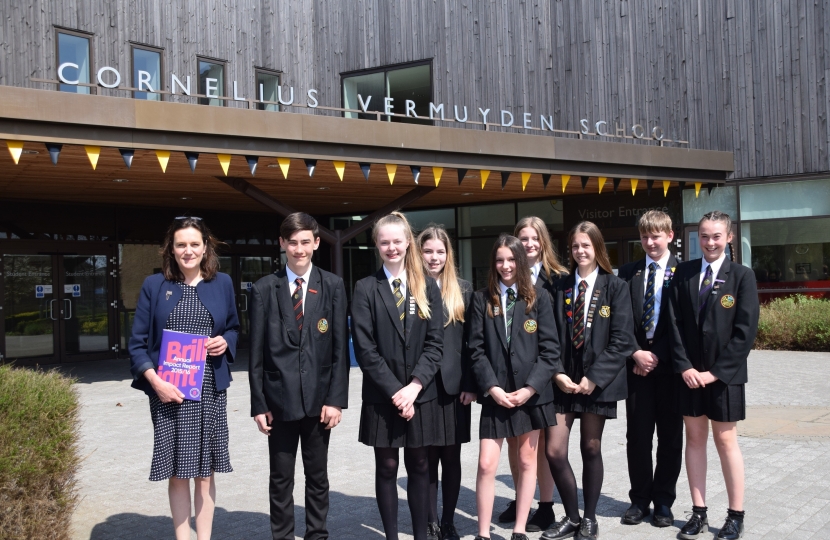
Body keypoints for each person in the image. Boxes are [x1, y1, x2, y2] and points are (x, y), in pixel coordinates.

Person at [129, 216, 239, 540]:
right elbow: (136, 344)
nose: (188, 251)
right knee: (177, 473)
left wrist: (226, 342)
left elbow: (233, 327)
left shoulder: (223, 283)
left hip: (209, 389)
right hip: (168, 392)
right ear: (171, 249)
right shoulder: (154, 286)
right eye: (181, 245)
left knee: (205, 473)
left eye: (194, 244)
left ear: (205, 247)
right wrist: (155, 382)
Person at [248, 212, 350, 540]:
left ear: (317, 243)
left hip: (320, 402)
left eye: (306, 241)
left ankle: (317, 534)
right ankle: (283, 536)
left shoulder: (333, 286)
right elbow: (256, 354)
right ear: (282, 244)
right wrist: (258, 404)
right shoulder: (265, 289)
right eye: (292, 242)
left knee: (318, 476)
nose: (299, 248)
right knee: (280, 478)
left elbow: (338, 352)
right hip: (278, 401)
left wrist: (336, 400)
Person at [351, 211, 444, 540]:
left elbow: (436, 344)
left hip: (421, 394)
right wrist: (397, 391)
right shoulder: (365, 289)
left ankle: (421, 535)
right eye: (384, 242)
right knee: (387, 467)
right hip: (383, 396)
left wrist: (415, 386)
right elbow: (365, 349)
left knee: (420, 465)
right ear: (376, 245)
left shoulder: (427, 286)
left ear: (408, 243)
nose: (391, 247)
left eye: (397, 241)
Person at [668, 211, 758, 540]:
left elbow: (745, 334)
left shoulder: (742, 277)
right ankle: (698, 512)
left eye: (716, 236)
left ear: (729, 237)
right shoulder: (685, 273)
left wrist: (715, 373)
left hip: (726, 378)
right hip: (689, 375)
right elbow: (673, 323)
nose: (710, 242)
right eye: (704, 236)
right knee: (694, 440)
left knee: (725, 441)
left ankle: (736, 515)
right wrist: (685, 367)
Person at [543, 221, 635, 540]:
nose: (580, 251)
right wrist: (557, 374)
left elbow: (622, 340)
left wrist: (594, 378)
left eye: (586, 245)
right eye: (574, 246)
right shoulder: (560, 287)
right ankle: (571, 516)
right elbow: (549, 336)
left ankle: (590, 518)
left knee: (590, 447)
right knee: (554, 450)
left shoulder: (615, 286)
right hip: (563, 380)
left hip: (598, 381)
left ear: (597, 247)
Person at [468, 234, 561, 540]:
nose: (505, 265)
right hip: (496, 395)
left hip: (529, 396)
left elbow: (550, 352)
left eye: (511, 259)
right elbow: (476, 351)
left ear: (520, 262)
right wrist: (491, 388)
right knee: (485, 464)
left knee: (525, 460)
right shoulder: (481, 299)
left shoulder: (539, 298)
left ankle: (519, 529)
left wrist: (530, 389)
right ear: (493, 263)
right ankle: (483, 533)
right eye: (499, 260)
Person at [496, 217, 569, 532]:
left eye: (534, 238)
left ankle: (547, 505)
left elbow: (562, 333)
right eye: (522, 238)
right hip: (517, 378)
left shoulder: (558, 279)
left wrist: (556, 373)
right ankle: (521, 497)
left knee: (543, 447)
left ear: (543, 242)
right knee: (517, 443)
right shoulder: (506, 280)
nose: (528, 244)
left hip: (552, 376)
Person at [617, 210, 684, 528]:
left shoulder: (684, 272)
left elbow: (684, 323)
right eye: (644, 236)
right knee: (638, 437)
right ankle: (639, 500)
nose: (650, 241)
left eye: (656, 235)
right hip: (637, 370)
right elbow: (619, 319)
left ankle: (664, 502)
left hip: (671, 369)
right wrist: (635, 353)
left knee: (670, 437)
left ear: (670, 235)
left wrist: (655, 355)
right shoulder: (628, 273)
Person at [418, 225, 475, 540]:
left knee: (451, 458)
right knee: (425, 459)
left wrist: (471, 383)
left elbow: (472, 344)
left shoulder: (463, 290)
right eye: (428, 251)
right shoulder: (411, 288)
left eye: (440, 251)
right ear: (420, 253)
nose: (434, 257)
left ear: (448, 254)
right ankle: (429, 521)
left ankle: (449, 521)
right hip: (422, 387)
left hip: (456, 390)